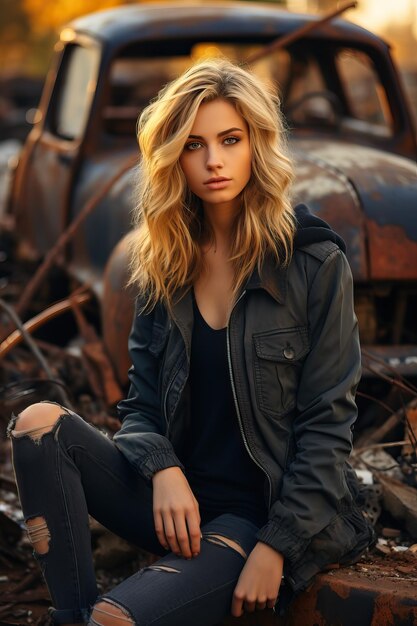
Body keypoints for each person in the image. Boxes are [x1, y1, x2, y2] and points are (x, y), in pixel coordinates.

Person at [8, 58, 375, 626]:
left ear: (257, 143)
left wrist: (275, 548)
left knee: (115, 620)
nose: (213, 161)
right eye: (192, 144)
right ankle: (69, 614)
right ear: (172, 156)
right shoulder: (165, 262)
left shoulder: (313, 264)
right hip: (175, 504)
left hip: (256, 516)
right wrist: (164, 469)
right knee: (37, 424)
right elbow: (140, 408)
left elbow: (327, 429)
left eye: (230, 140)